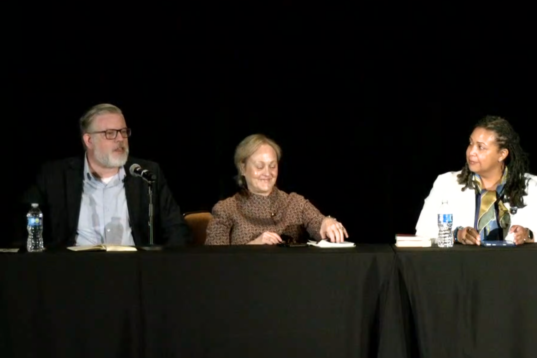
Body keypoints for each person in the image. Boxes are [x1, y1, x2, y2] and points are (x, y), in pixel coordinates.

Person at [23, 103, 189, 247]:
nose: (120, 139)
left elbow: (176, 229)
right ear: (88, 140)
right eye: (110, 133)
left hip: (133, 272)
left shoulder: (147, 174)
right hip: (73, 272)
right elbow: (23, 227)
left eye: (123, 132)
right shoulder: (55, 176)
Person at [414, 115, 537, 245]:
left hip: (515, 271)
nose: (471, 152)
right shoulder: (446, 183)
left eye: (481, 147)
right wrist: (457, 235)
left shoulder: (533, 187)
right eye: (471, 143)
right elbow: (423, 231)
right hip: (464, 270)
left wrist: (528, 235)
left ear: (502, 154)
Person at [205, 134, 348, 245]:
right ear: (243, 168)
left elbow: (318, 222)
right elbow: (215, 260)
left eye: (272, 166)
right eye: (260, 166)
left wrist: (327, 223)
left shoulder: (295, 202)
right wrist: (253, 245)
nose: (267, 173)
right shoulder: (226, 209)